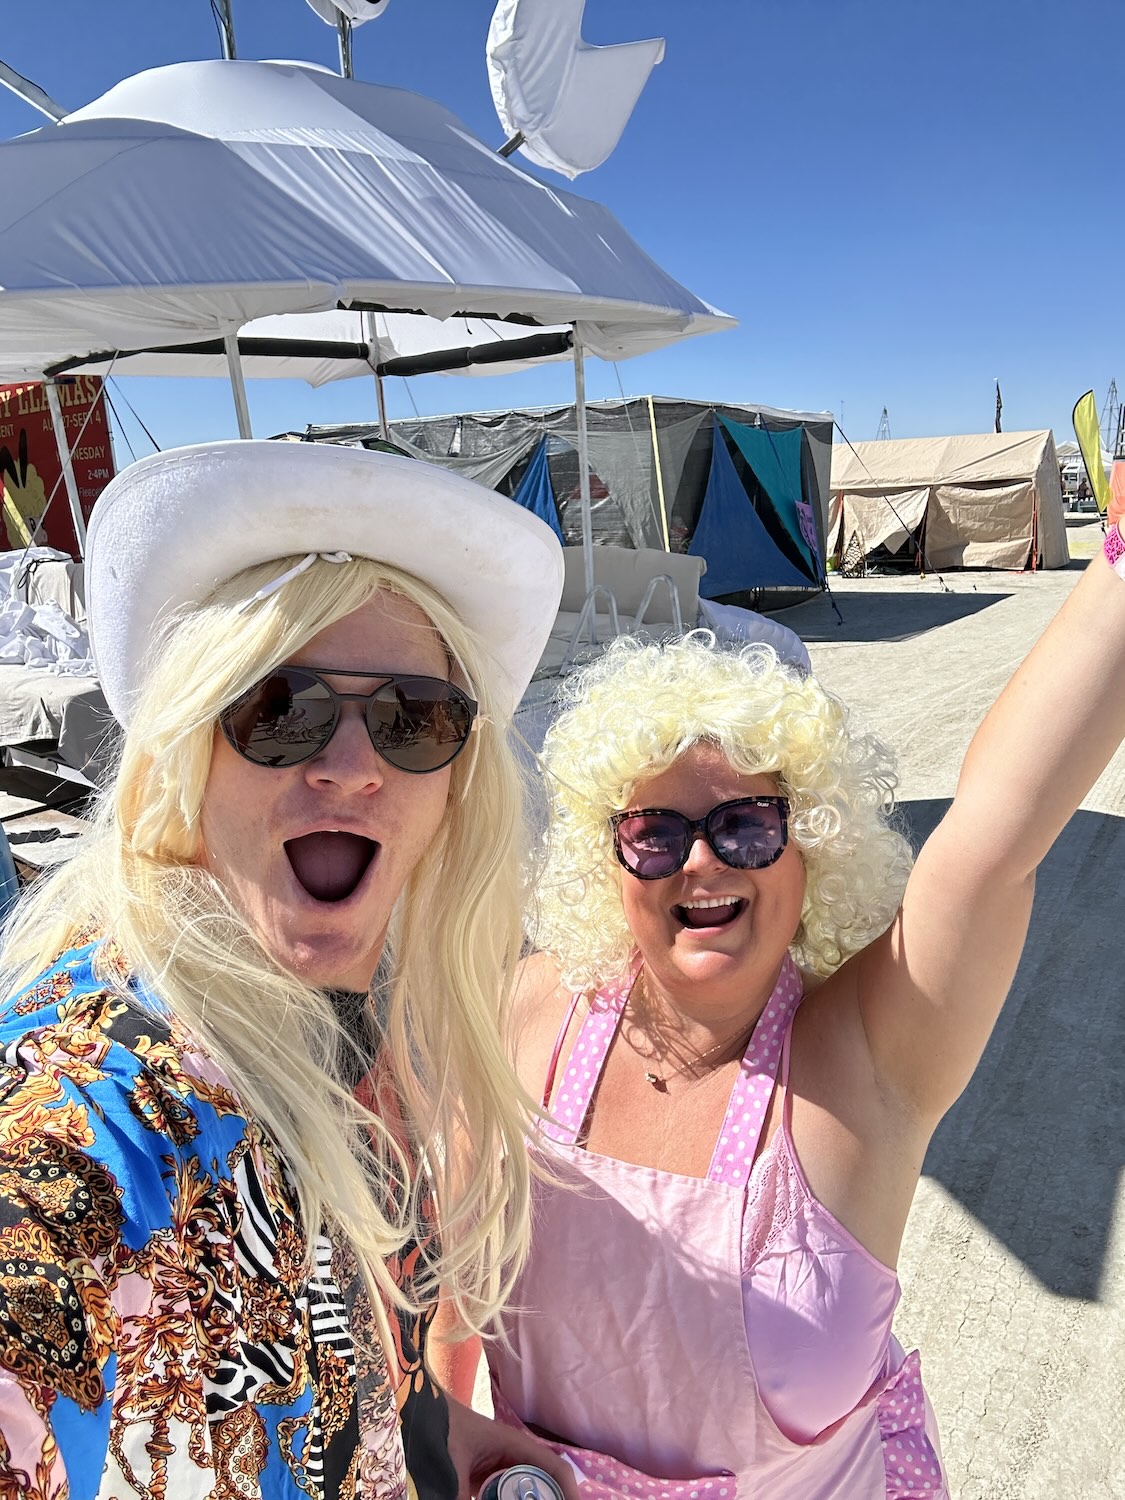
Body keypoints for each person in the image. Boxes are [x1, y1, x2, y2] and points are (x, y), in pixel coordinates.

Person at [449, 518, 1125, 1497]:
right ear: (609, 859)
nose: (702, 859)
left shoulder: (867, 1060)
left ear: (812, 848)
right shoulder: (525, 1016)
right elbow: (443, 1299)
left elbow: (994, 836)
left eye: (748, 825)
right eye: (654, 832)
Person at [0, 440, 579, 1500]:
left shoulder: (373, 1013)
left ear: (457, 783)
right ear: (188, 750)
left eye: (413, 721)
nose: (351, 766)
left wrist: (419, 1428)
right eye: (280, 710)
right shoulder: (102, 1093)